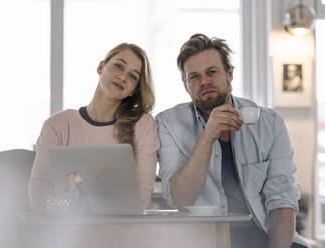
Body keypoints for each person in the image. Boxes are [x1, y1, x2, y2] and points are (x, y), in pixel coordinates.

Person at [156, 33, 308, 248]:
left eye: (211, 72)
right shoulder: (168, 124)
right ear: (186, 85)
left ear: (229, 74)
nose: (204, 81)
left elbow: (282, 200)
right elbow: (180, 199)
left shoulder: (270, 123)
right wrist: (207, 136)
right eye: (194, 77)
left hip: (267, 235)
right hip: (206, 240)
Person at [29, 43, 159, 214]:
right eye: (118, 66)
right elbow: (39, 197)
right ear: (101, 67)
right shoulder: (57, 125)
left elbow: (140, 200)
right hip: (66, 232)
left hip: (121, 233)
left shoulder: (143, 125)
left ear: (132, 91)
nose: (123, 77)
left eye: (133, 76)